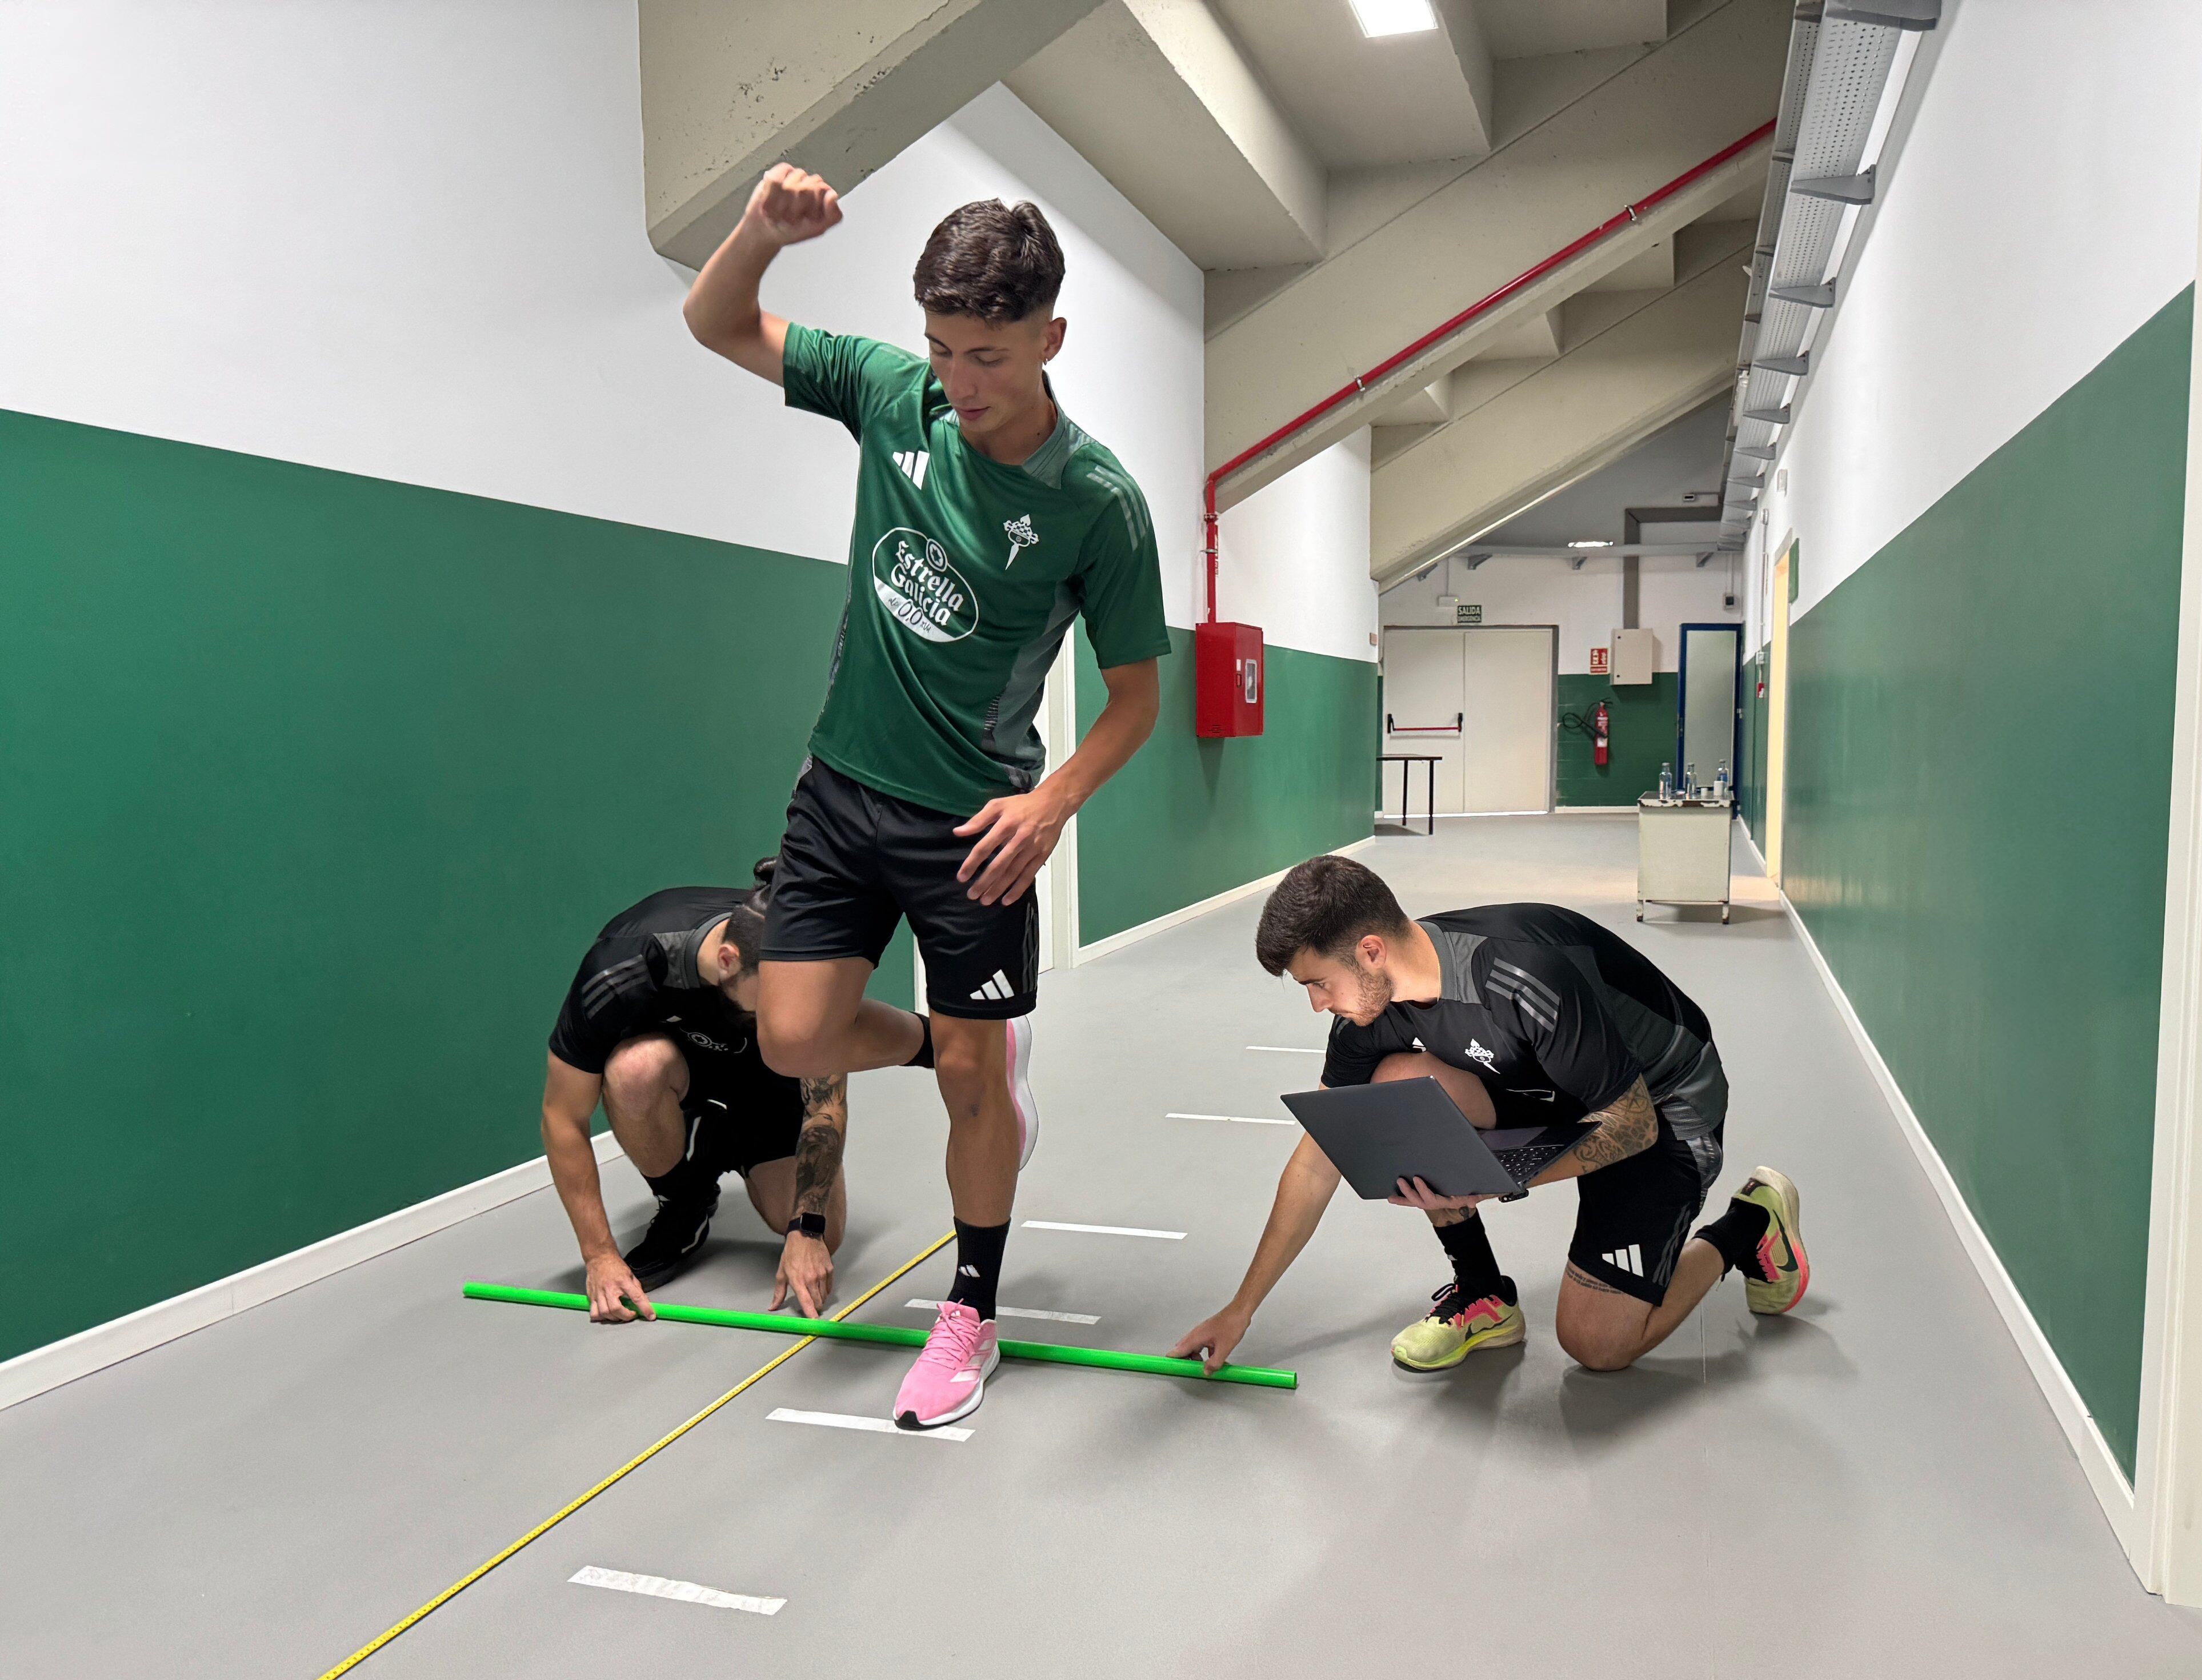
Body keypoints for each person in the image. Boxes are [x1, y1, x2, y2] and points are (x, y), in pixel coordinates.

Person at [683, 165, 1171, 1428]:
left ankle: (969, 1310)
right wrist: (756, 233)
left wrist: (1053, 800)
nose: (961, 382)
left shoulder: (1097, 504)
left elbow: (1134, 700)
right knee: (790, 1038)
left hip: (977, 831)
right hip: (840, 793)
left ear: (1050, 339)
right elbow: (716, 323)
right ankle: (941, 1039)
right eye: (944, 349)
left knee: (975, 1089)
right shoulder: (890, 396)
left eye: (990, 356)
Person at [1173, 856, 1808, 1377]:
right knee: (1394, 1087)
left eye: (1317, 983)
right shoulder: (1370, 1012)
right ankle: (1482, 1292)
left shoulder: (1518, 978)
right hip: (1550, 1082)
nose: (1316, 1006)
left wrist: (1506, 1176)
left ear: (1370, 951)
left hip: (1662, 1099)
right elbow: (1316, 1162)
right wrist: (1241, 1309)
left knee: (1598, 1346)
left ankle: (1749, 1224)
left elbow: (1632, 1125)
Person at [542, 863, 848, 1325]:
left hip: (770, 1081)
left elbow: (826, 1102)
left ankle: (732, 1140)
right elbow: (562, 1118)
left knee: (829, 1233)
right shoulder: (623, 967)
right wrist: (600, 1256)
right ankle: (685, 1199)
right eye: (772, 997)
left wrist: (807, 1227)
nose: (788, 1010)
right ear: (728, 961)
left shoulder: (806, 957)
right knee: (632, 1069)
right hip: (682, 1075)